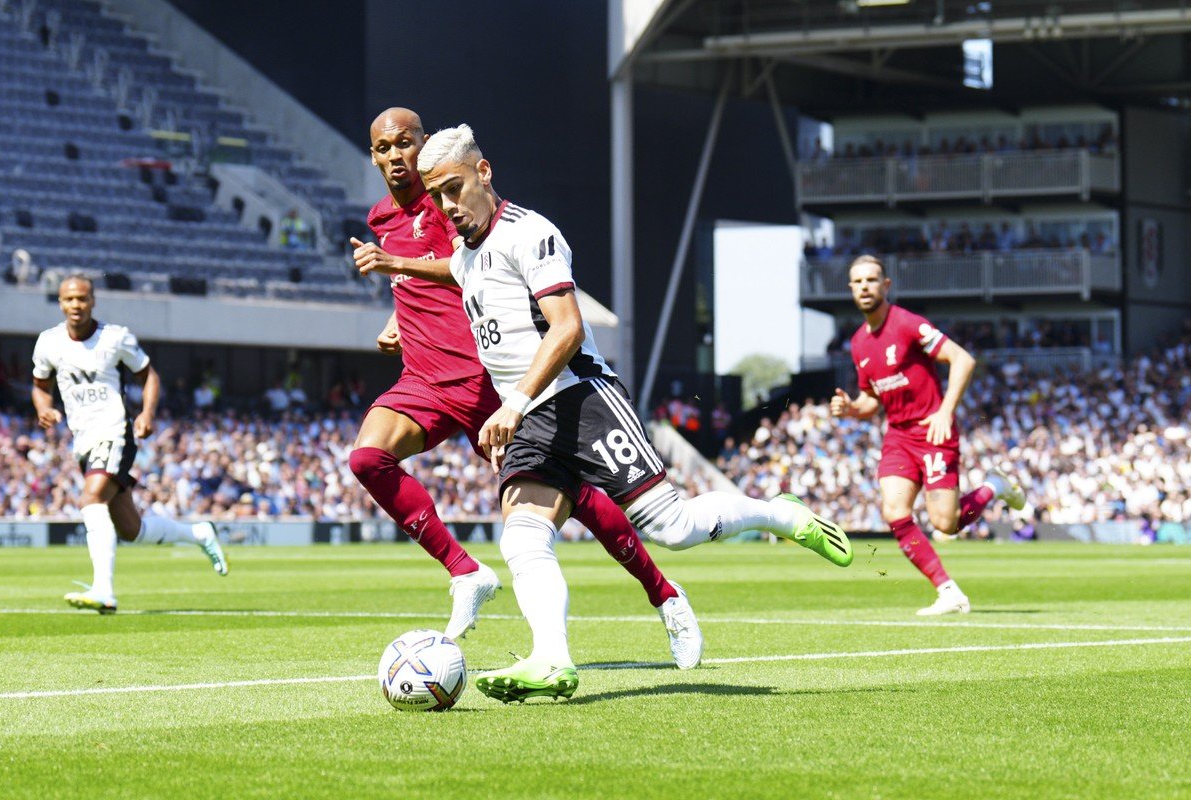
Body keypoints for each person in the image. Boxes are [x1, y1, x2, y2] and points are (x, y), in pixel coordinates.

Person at [360, 123, 852, 703]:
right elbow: (454, 277)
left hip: (580, 399)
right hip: (531, 420)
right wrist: (404, 299)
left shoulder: (532, 233)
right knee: (522, 539)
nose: (447, 207)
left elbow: (566, 328)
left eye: (454, 189)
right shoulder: (466, 255)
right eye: (437, 195)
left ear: (484, 173)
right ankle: (550, 658)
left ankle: (781, 515)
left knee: (673, 527)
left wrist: (513, 403)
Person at [347, 108, 703, 669]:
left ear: (425, 144)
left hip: (488, 379)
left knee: (579, 500)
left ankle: (664, 593)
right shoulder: (380, 217)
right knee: (367, 458)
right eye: (385, 147)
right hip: (424, 378)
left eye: (406, 143)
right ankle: (466, 572)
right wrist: (398, 317)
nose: (397, 156)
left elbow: (461, 265)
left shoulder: (449, 196)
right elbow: (421, 281)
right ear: (372, 155)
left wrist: (399, 265)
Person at [829, 255, 1025, 616]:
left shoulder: (907, 324)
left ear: (886, 286)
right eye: (857, 282)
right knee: (894, 511)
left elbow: (962, 359)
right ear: (851, 290)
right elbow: (871, 399)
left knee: (944, 523)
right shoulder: (858, 343)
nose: (865, 288)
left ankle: (994, 487)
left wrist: (945, 411)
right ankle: (948, 591)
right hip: (899, 436)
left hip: (934, 431)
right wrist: (851, 408)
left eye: (872, 280)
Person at [32, 275, 228, 613]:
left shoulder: (115, 337)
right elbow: (39, 384)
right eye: (69, 299)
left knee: (91, 497)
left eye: (82, 299)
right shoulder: (48, 342)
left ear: (93, 301)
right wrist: (43, 408)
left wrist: (147, 413)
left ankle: (103, 590)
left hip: (115, 432)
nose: (76, 305)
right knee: (130, 529)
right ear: (60, 303)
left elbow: (148, 374)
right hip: (84, 440)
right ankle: (198, 533)